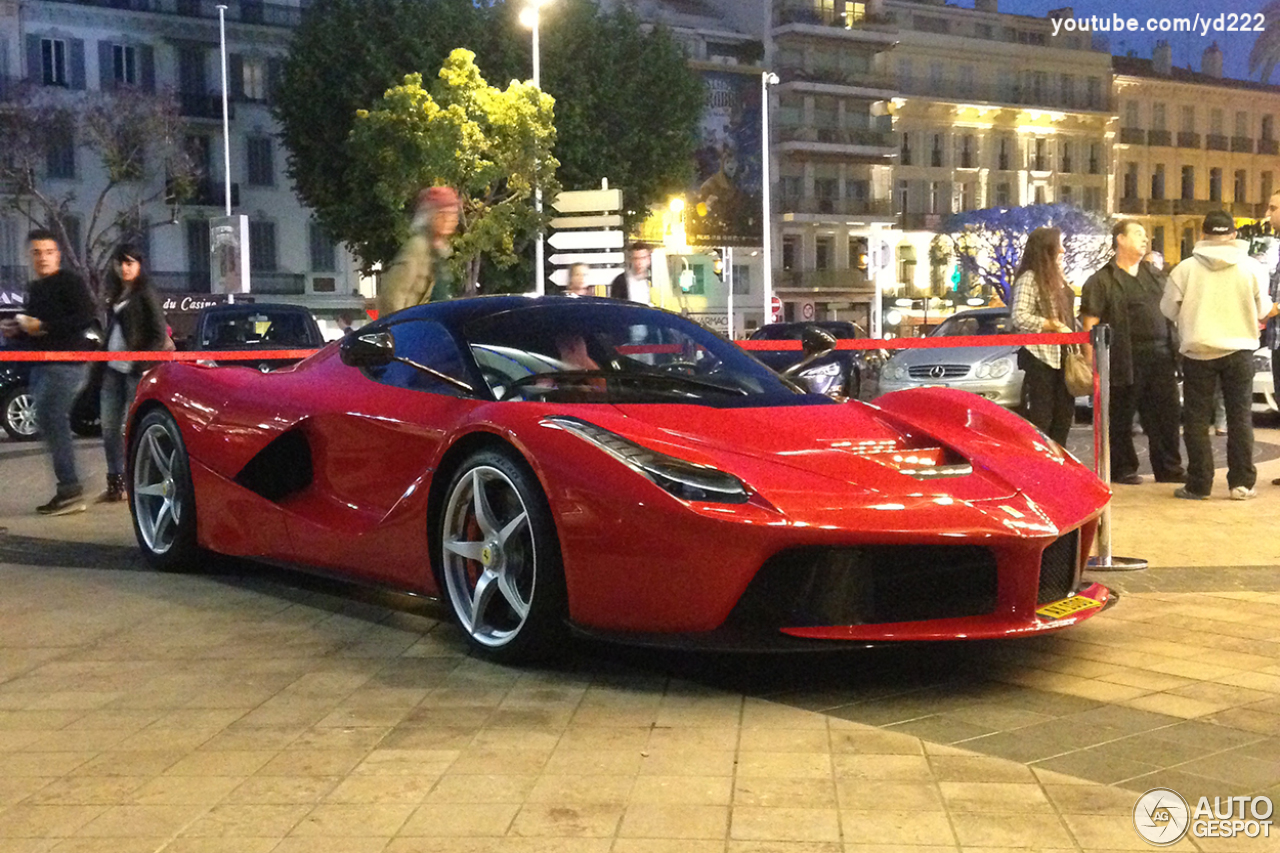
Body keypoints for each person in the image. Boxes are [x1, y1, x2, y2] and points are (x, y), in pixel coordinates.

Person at [1161, 210, 1275, 500]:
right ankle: (1241, 484)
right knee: (1239, 418)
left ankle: (1198, 484)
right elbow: (1263, 311)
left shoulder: (1184, 269)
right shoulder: (1252, 268)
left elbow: (1168, 310)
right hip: (1240, 351)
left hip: (1198, 351)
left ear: (1202, 234)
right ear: (1234, 235)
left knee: (1197, 420)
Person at [0, 230, 98, 515]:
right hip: (43, 364)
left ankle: (70, 487)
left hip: (66, 364)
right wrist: (17, 330)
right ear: (29, 256)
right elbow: (37, 331)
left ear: (58, 254)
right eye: (36, 252)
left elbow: (84, 318)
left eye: (48, 252)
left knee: (52, 418)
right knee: (48, 421)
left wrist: (42, 326)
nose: (42, 257)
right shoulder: (36, 287)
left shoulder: (70, 282)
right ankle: (70, 484)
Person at [1080, 220, 1184, 485]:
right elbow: (1090, 322)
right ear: (1120, 240)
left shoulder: (1154, 275)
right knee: (1121, 416)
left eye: (1145, 235)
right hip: (1122, 357)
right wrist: (1092, 360)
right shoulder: (1102, 280)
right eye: (1138, 234)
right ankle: (1123, 468)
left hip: (1161, 355)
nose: (1145, 239)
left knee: (1165, 415)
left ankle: (1168, 468)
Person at [96, 244, 167, 504]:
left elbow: (159, 334)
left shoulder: (145, 292)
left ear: (139, 265)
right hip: (112, 370)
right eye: (121, 263)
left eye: (130, 263)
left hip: (133, 372)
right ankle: (116, 483)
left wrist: (139, 362)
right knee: (109, 427)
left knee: (132, 429)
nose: (125, 268)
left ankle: (140, 482)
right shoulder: (115, 293)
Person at [1011, 227, 1077, 446]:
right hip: (1041, 357)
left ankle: (1060, 461)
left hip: (1063, 356)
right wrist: (1049, 324)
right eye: (1059, 245)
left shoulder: (1059, 277)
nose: (1063, 250)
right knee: (1043, 415)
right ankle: (1044, 463)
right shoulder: (1030, 279)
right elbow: (1019, 316)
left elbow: (1068, 315)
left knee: (1064, 414)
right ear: (1047, 249)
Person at [376, 186, 461, 317]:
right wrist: (404, 330)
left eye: (453, 215)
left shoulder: (439, 251)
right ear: (429, 216)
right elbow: (392, 295)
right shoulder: (417, 248)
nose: (449, 220)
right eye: (442, 214)